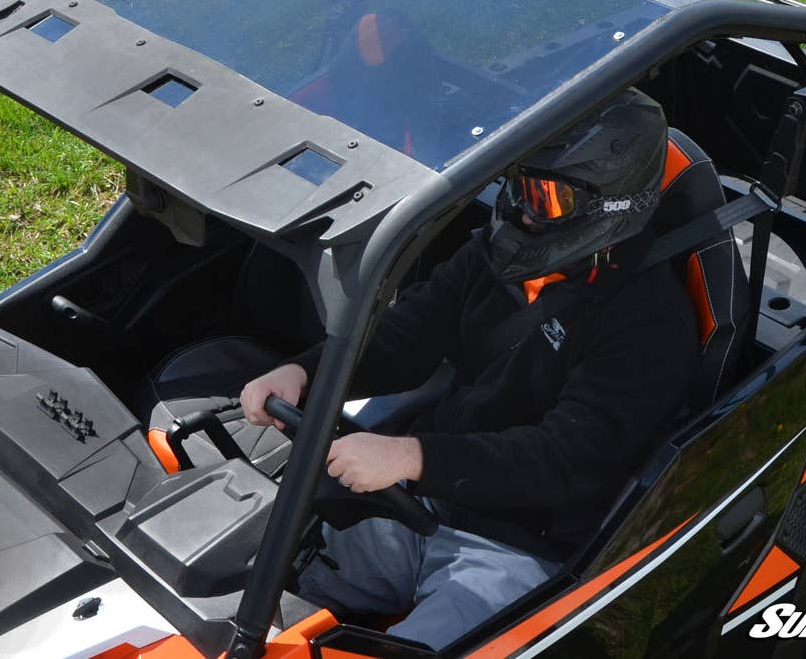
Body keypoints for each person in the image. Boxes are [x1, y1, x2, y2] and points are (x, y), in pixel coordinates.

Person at [241, 88, 699, 650]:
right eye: (518, 184)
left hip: (520, 547)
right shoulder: (498, 252)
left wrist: (413, 458)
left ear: (611, 205)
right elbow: (406, 336)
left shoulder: (650, 323)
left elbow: (565, 460)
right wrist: (305, 373)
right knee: (259, 576)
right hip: (428, 501)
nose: (523, 210)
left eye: (546, 198)